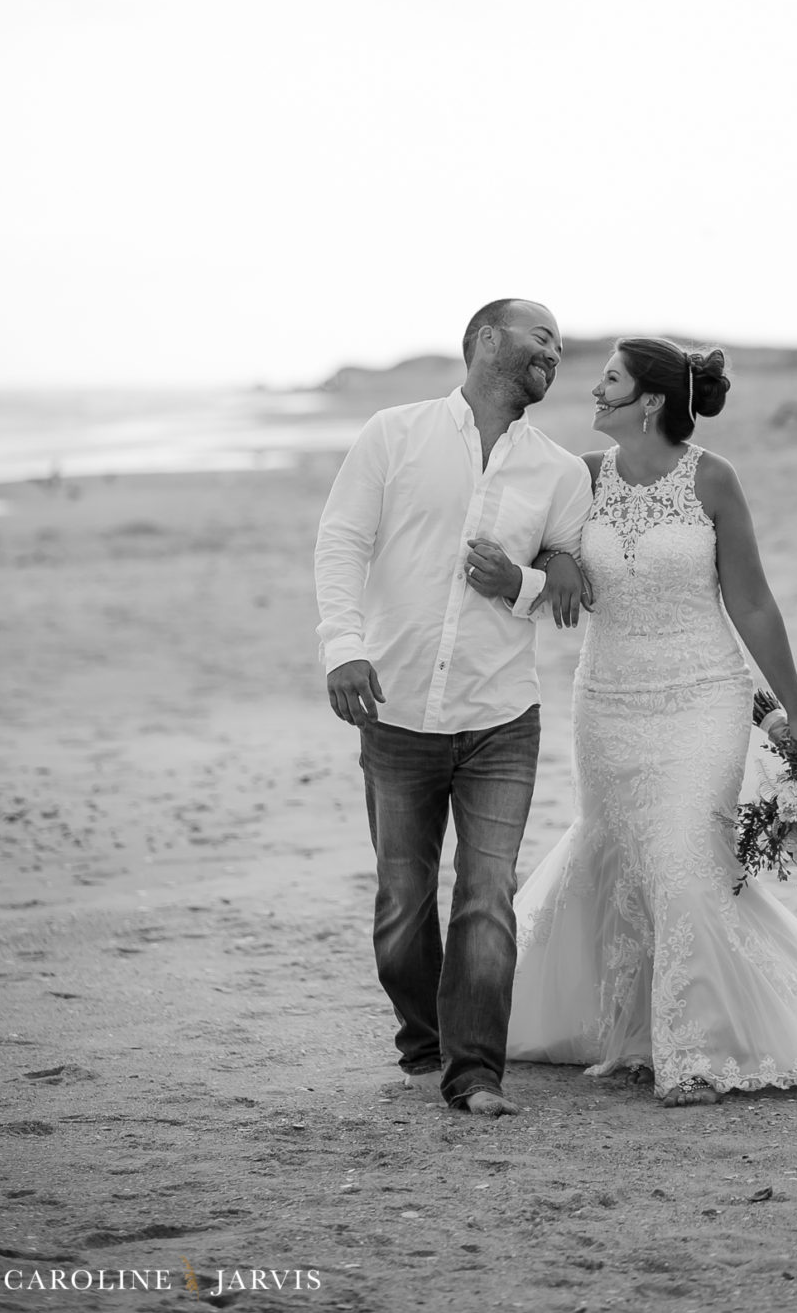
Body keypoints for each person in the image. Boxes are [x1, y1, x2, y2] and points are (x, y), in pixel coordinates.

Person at [506, 337, 797, 1105]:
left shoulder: (714, 479)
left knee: (686, 858)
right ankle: (636, 1035)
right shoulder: (582, 477)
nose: (593, 393)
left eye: (610, 381)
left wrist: (795, 712)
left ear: (652, 401)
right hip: (606, 703)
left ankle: (700, 1049)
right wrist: (559, 563)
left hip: (704, 696)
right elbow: (533, 555)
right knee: (629, 864)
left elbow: (753, 601)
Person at [315, 299, 593, 1117]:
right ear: (482, 340)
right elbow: (341, 541)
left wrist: (526, 582)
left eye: (560, 345)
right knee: (402, 903)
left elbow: (574, 579)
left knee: (486, 894)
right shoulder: (392, 434)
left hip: (501, 717)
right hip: (394, 708)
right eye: (540, 335)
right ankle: (425, 1037)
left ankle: (475, 1072)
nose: (554, 349)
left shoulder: (559, 471)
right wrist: (342, 646)